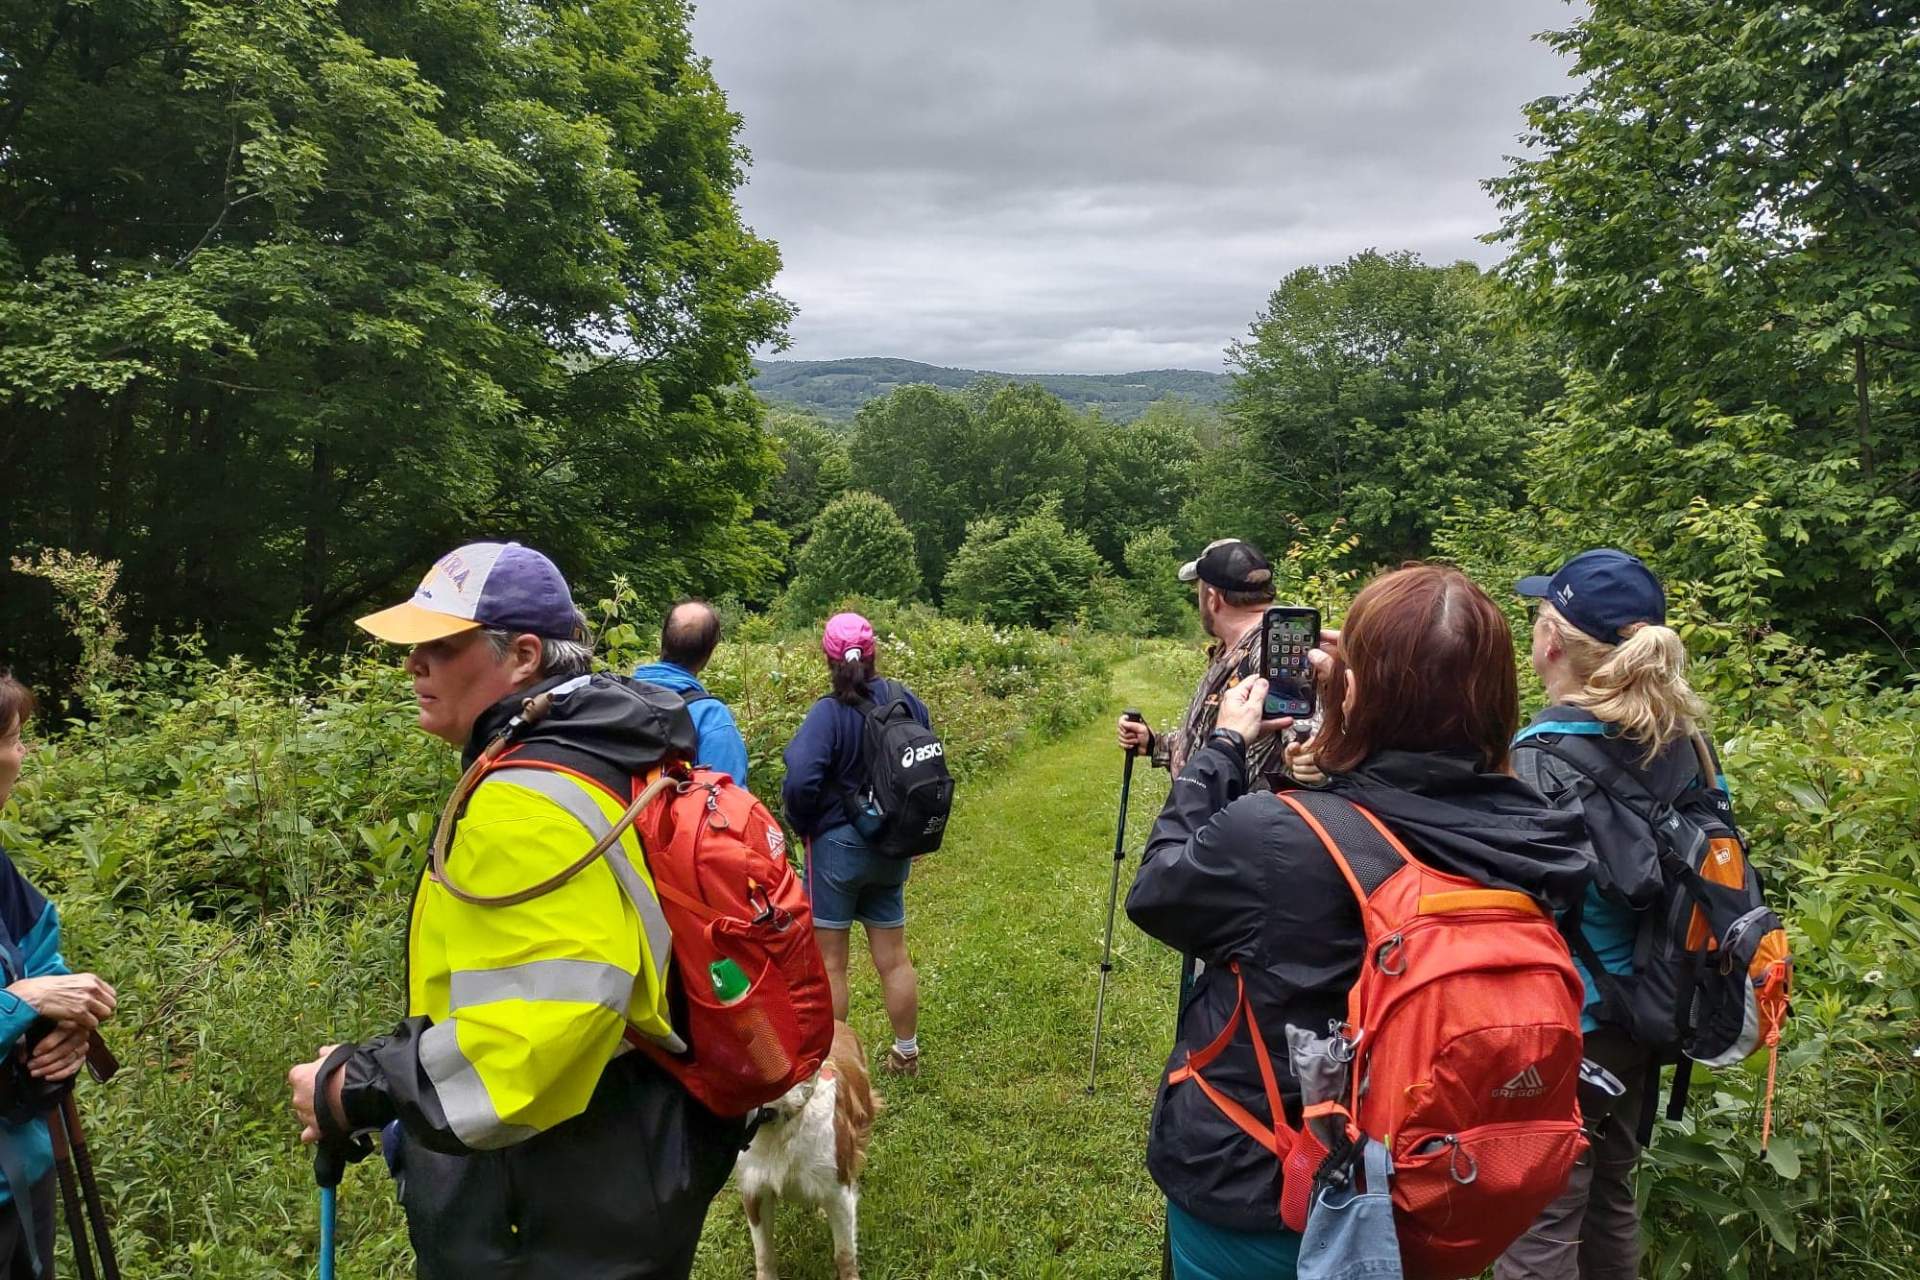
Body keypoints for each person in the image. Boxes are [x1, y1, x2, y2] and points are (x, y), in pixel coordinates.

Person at [285, 542, 740, 1280]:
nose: (414, 665)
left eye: (440, 645)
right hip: (627, 1152)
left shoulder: (522, 801)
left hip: (552, 1192)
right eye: (413, 646)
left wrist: (355, 1086)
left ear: (523, 655)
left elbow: (543, 1031)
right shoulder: (605, 747)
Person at [1125, 565, 1591, 1280]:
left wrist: (1223, 747)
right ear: (1499, 693)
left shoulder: (1275, 836)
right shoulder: (1547, 838)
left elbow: (1159, 889)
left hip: (1263, 1188)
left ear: (1359, 687)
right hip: (1429, 1188)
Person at [1496, 549, 1707, 1280]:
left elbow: (1509, 901)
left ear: (1551, 640)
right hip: (1650, 1011)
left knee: (1538, 1214)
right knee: (1610, 1196)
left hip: (1564, 1023)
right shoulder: (1686, 745)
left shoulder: (1536, 756)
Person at [0, 674, 118, 1280]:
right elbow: (23, 990)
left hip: (20, 1172)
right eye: (15, 739)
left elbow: (38, 946)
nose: (22, 757)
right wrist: (19, 1004)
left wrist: (63, 1020)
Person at [780, 613, 929, 1076]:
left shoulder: (828, 713)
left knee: (831, 963)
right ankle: (906, 1052)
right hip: (890, 846)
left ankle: (832, 1065)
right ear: (874, 652)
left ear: (827, 657)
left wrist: (802, 820)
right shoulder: (905, 699)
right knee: (894, 957)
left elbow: (802, 778)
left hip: (835, 851)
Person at [1115, 538, 1298, 791]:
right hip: (1206, 817)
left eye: (1198, 589)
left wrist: (1308, 755)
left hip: (1237, 824)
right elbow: (1214, 736)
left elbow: (1304, 738)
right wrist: (1155, 743)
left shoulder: (1272, 647)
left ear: (1213, 598)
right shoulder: (1231, 649)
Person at [631, 599, 749, 785]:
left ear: (663, 639)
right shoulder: (711, 716)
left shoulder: (616, 695)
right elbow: (729, 803)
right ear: (709, 652)